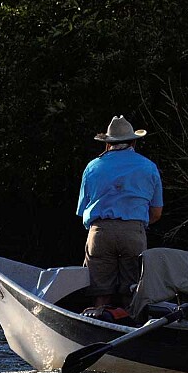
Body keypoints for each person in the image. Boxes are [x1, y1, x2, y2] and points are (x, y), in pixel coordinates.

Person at [76, 115, 163, 308]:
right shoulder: (149, 167)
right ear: (133, 142)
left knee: (100, 291)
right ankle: (132, 327)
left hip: (100, 232)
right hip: (134, 231)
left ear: (107, 144)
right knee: (132, 290)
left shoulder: (92, 167)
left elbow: (83, 211)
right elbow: (156, 213)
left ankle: (99, 320)